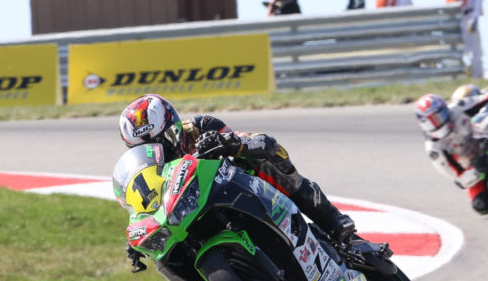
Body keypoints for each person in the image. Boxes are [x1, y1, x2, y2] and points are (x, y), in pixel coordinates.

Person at [118, 94, 355, 271]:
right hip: (191, 214)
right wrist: (139, 241)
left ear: (176, 125)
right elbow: (142, 207)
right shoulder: (147, 170)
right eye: (148, 147)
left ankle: (332, 220)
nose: (163, 149)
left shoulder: (202, 127)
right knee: (165, 258)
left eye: (166, 139)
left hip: (242, 191)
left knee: (266, 160)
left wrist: (228, 142)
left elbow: (262, 142)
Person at [415, 87, 488, 215]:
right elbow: (459, 179)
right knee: (481, 205)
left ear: (445, 110)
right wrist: (476, 169)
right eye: (429, 122)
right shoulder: (434, 149)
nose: (436, 124)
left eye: (438, 117)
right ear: (422, 124)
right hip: (477, 166)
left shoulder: (458, 108)